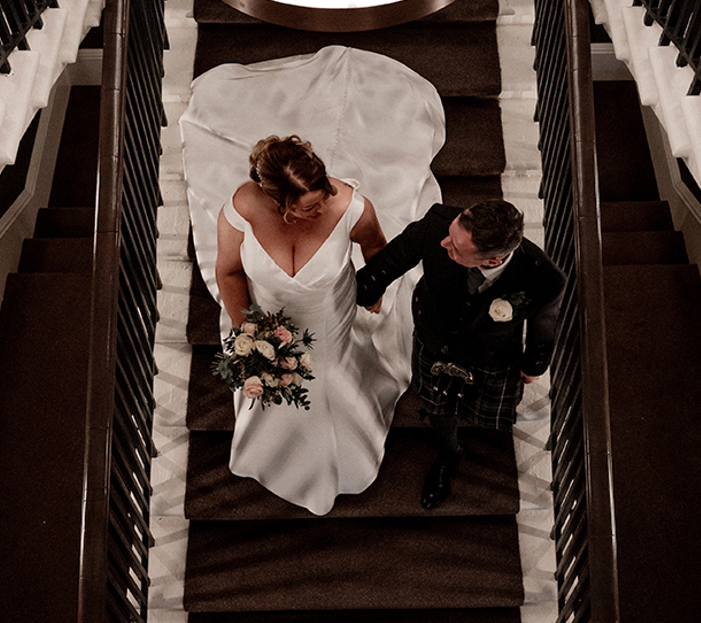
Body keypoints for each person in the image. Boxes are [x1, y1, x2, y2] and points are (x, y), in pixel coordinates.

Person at [181, 45, 446, 516]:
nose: (321, 207)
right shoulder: (241, 207)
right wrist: (248, 330)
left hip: (332, 318)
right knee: (274, 394)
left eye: (322, 194)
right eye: (307, 206)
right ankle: (270, 451)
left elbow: (376, 249)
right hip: (266, 320)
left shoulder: (349, 205)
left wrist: (376, 289)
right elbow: (228, 270)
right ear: (277, 202)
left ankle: (346, 451)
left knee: (327, 383)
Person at [355, 199, 565, 509]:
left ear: (492, 261)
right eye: (450, 235)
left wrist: (535, 364)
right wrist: (368, 291)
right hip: (433, 336)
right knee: (439, 406)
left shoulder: (543, 278)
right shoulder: (440, 222)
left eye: (454, 247)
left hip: (491, 353)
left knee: (482, 408)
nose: (443, 243)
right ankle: (448, 454)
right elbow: (395, 257)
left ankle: (467, 425)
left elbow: (544, 325)